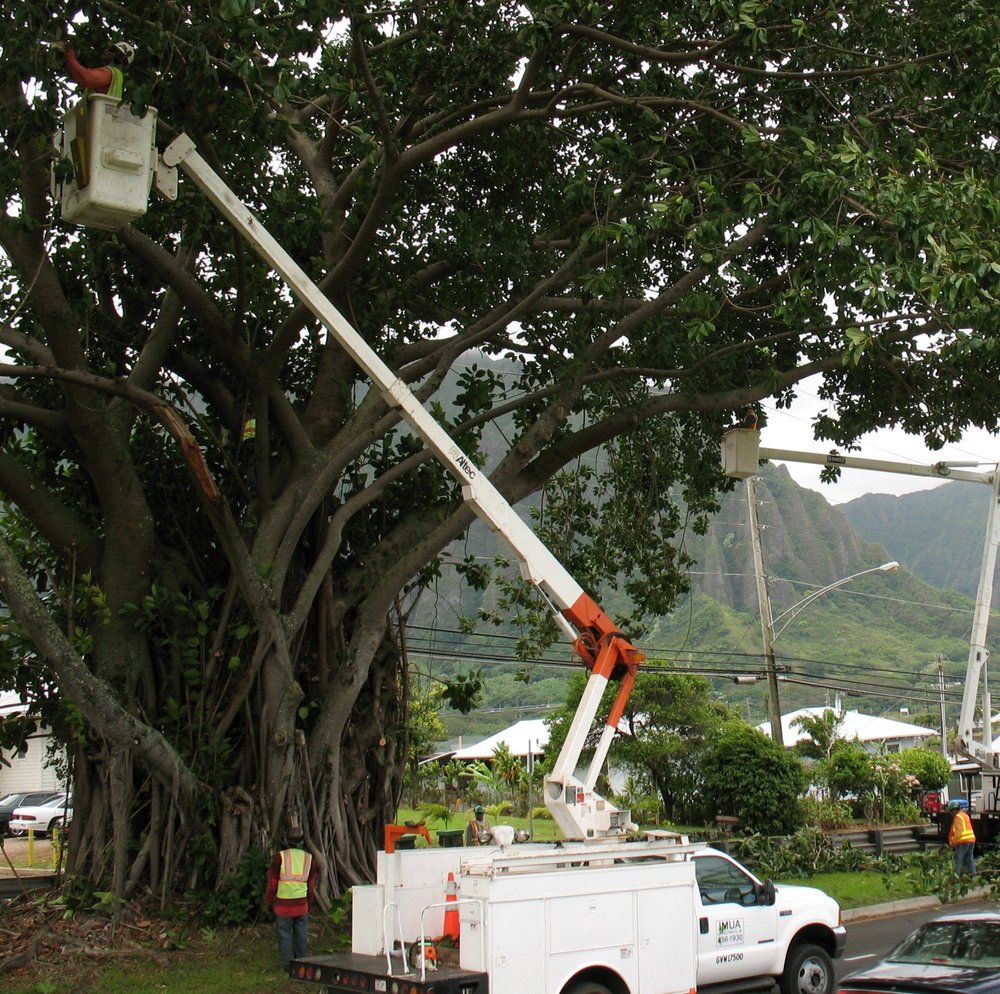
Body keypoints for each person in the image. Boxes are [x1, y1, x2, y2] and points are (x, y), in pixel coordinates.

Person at [264, 827, 318, 972]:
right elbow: (311, 885)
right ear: (302, 842)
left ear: (286, 841)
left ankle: (288, 965)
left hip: (283, 906)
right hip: (301, 905)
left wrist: (268, 900)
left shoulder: (279, 857)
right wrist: (309, 902)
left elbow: (273, 882)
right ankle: (302, 962)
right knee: (301, 933)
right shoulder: (309, 859)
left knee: (284, 934)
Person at [63, 40, 135, 100]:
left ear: (120, 58)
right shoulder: (117, 77)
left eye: (112, 50)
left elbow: (84, 77)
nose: (106, 50)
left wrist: (69, 53)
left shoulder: (109, 73)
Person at [947, 800, 976, 877]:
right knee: (969, 859)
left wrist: (954, 842)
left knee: (958, 859)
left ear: (954, 810)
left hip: (963, 841)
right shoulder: (965, 815)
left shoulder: (958, 817)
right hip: (971, 840)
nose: (950, 813)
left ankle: (956, 876)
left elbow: (959, 832)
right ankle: (973, 875)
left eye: (950, 811)